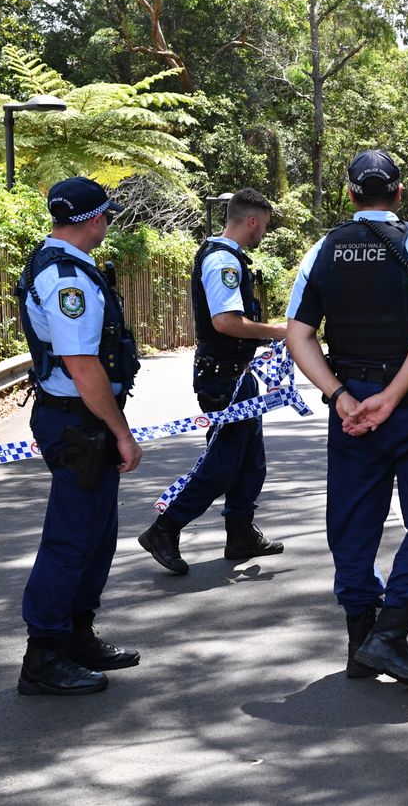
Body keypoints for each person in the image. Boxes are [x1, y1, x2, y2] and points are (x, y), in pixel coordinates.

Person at [286, 150, 408, 688]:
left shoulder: (321, 249)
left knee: (353, 527)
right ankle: (388, 637)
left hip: (352, 405)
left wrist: (339, 394)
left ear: (350, 195)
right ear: (400, 192)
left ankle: (361, 642)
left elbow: (298, 334)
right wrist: (391, 396)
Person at [14, 176, 143, 696]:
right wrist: (122, 432)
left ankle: (76, 635)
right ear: (94, 218)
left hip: (78, 418)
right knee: (71, 538)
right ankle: (43, 655)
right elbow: (83, 364)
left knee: (95, 533)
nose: (107, 223)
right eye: (106, 215)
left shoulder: (65, 267)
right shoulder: (67, 277)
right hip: (76, 419)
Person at [138, 189, 287, 574]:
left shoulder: (225, 256)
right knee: (222, 463)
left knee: (250, 461)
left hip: (237, 374)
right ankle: (164, 528)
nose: (264, 234)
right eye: (265, 226)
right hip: (224, 378)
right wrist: (276, 331)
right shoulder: (223, 260)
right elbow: (225, 322)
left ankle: (240, 533)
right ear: (251, 220)